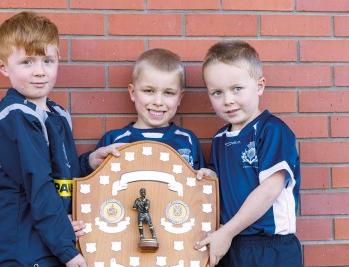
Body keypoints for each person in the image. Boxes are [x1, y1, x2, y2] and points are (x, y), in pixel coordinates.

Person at [0, 11, 122, 267]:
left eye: (48, 60)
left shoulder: (57, 114)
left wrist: (89, 162)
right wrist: (67, 249)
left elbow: (59, 173)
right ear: (3, 67)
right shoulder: (16, 117)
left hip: (50, 242)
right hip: (22, 249)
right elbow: (40, 186)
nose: (39, 71)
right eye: (27, 62)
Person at [195, 40, 302, 267]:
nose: (228, 100)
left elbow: (270, 190)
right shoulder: (219, 139)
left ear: (260, 86)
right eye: (217, 93)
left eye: (237, 89)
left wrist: (227, 233)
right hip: (232, 244)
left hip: (270, 247)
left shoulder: (272, 130)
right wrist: (207, 176)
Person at [81, 48, 206, 173]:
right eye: (149, 91)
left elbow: (201, 187)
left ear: (179, 98)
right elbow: (93, 185)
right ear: (133, 93)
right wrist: (89, 164)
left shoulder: (187, 140)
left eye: (168, 92)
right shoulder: (114, 140)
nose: (158, 102)